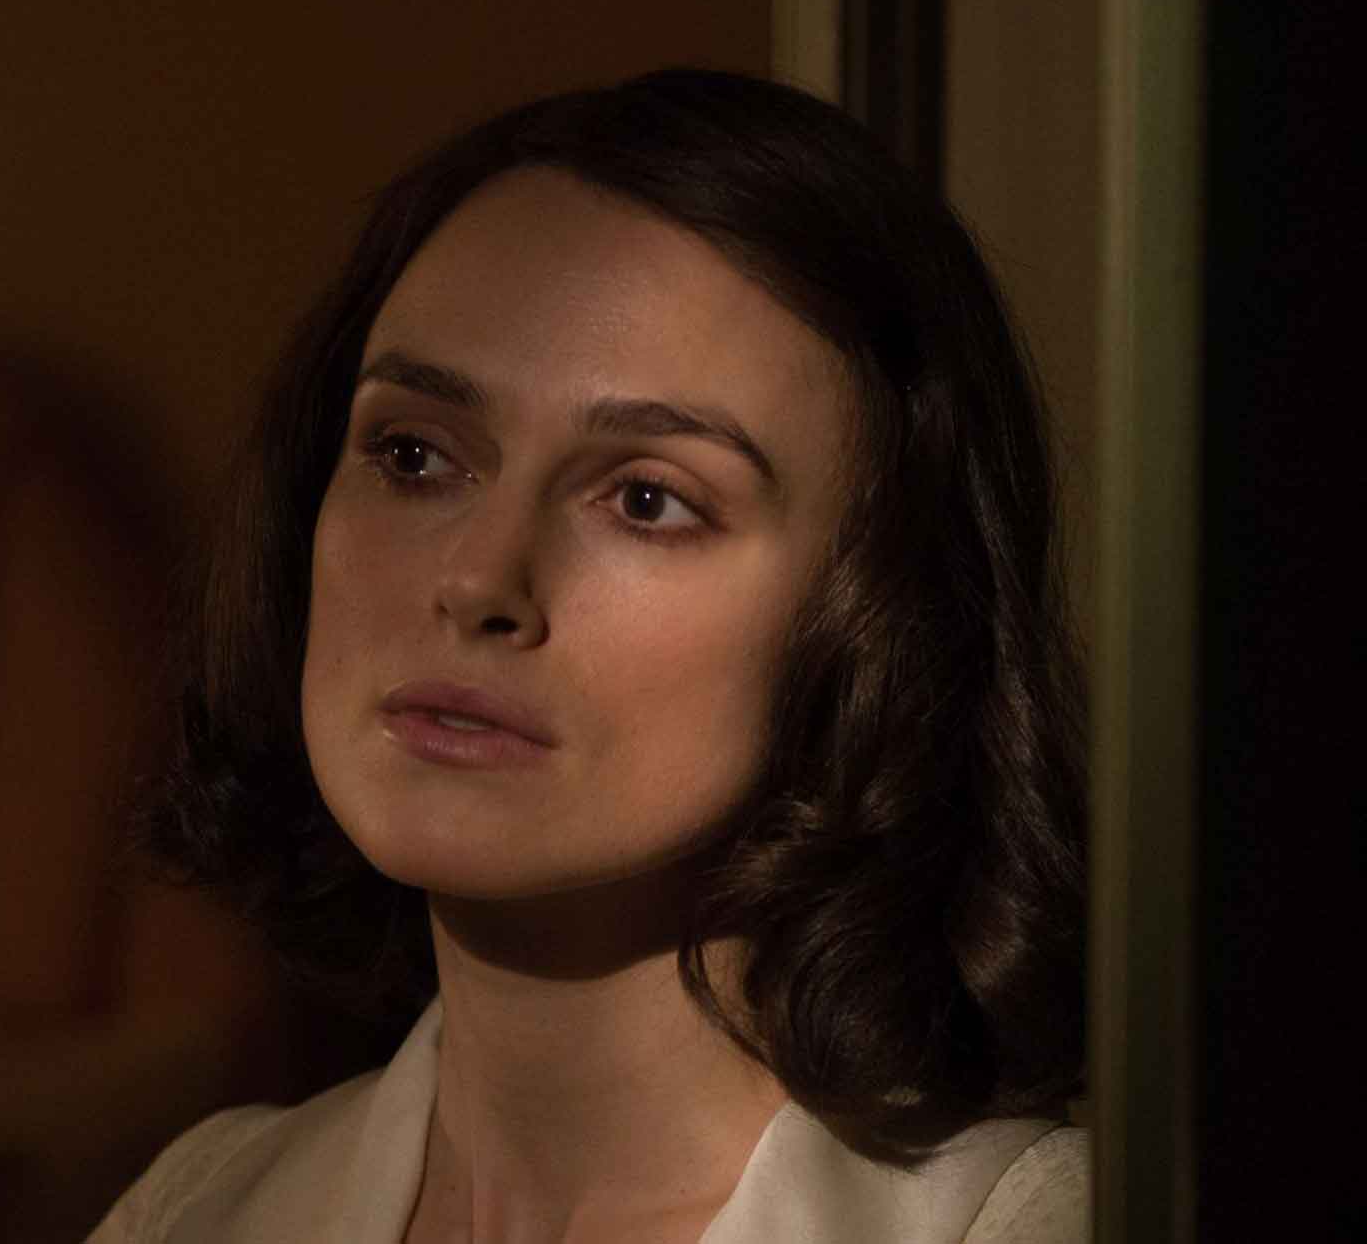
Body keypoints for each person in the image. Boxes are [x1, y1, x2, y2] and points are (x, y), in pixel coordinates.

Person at [91, 68, 1089, 1243]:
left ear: (886, 614)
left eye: (648, 500)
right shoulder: (195, 1207)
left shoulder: (1033, 1225)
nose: (479, 580)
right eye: (413, 455)